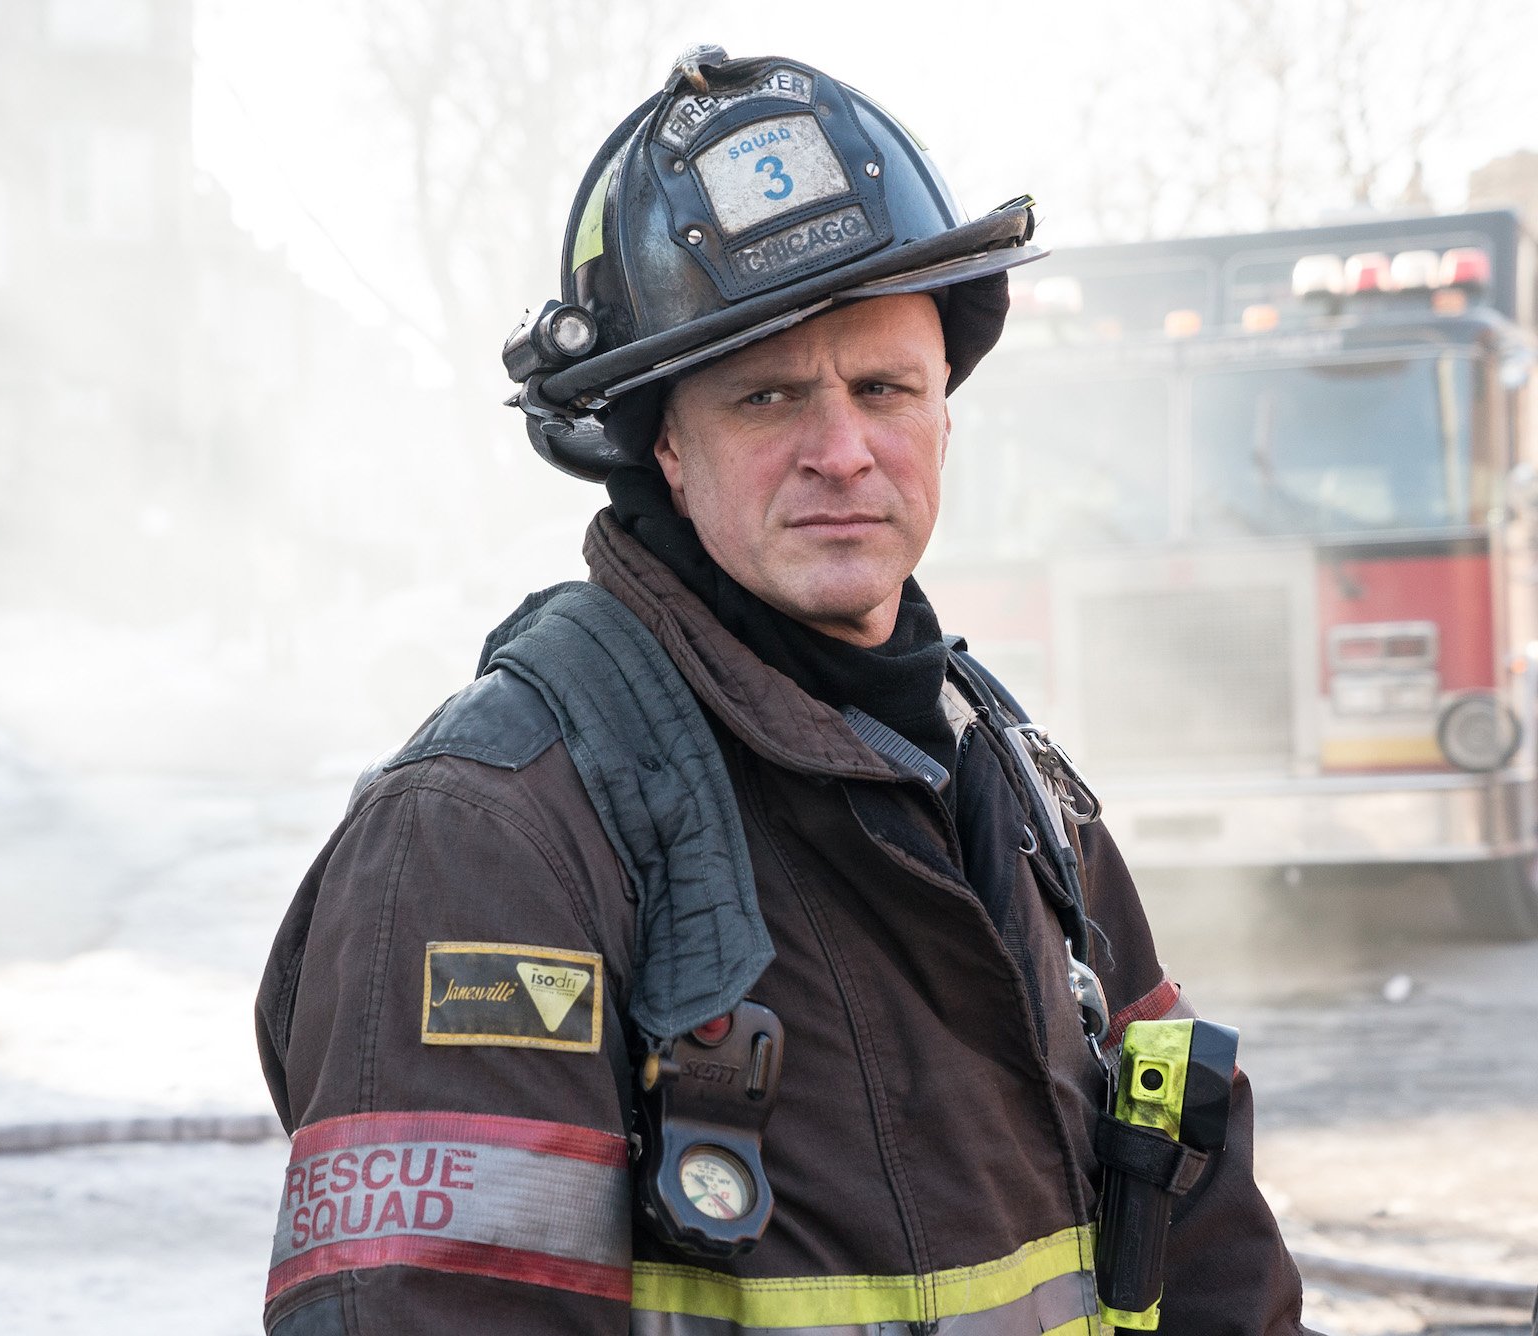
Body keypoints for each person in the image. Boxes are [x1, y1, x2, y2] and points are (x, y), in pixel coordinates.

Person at [256, 47, 1305, 1335]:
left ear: (944, 418)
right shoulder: (487, 836)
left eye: (884, 390)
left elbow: (1207, 1249)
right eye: (769, 397)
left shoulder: (1014, 784)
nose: (842, 450)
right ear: (667, 451)